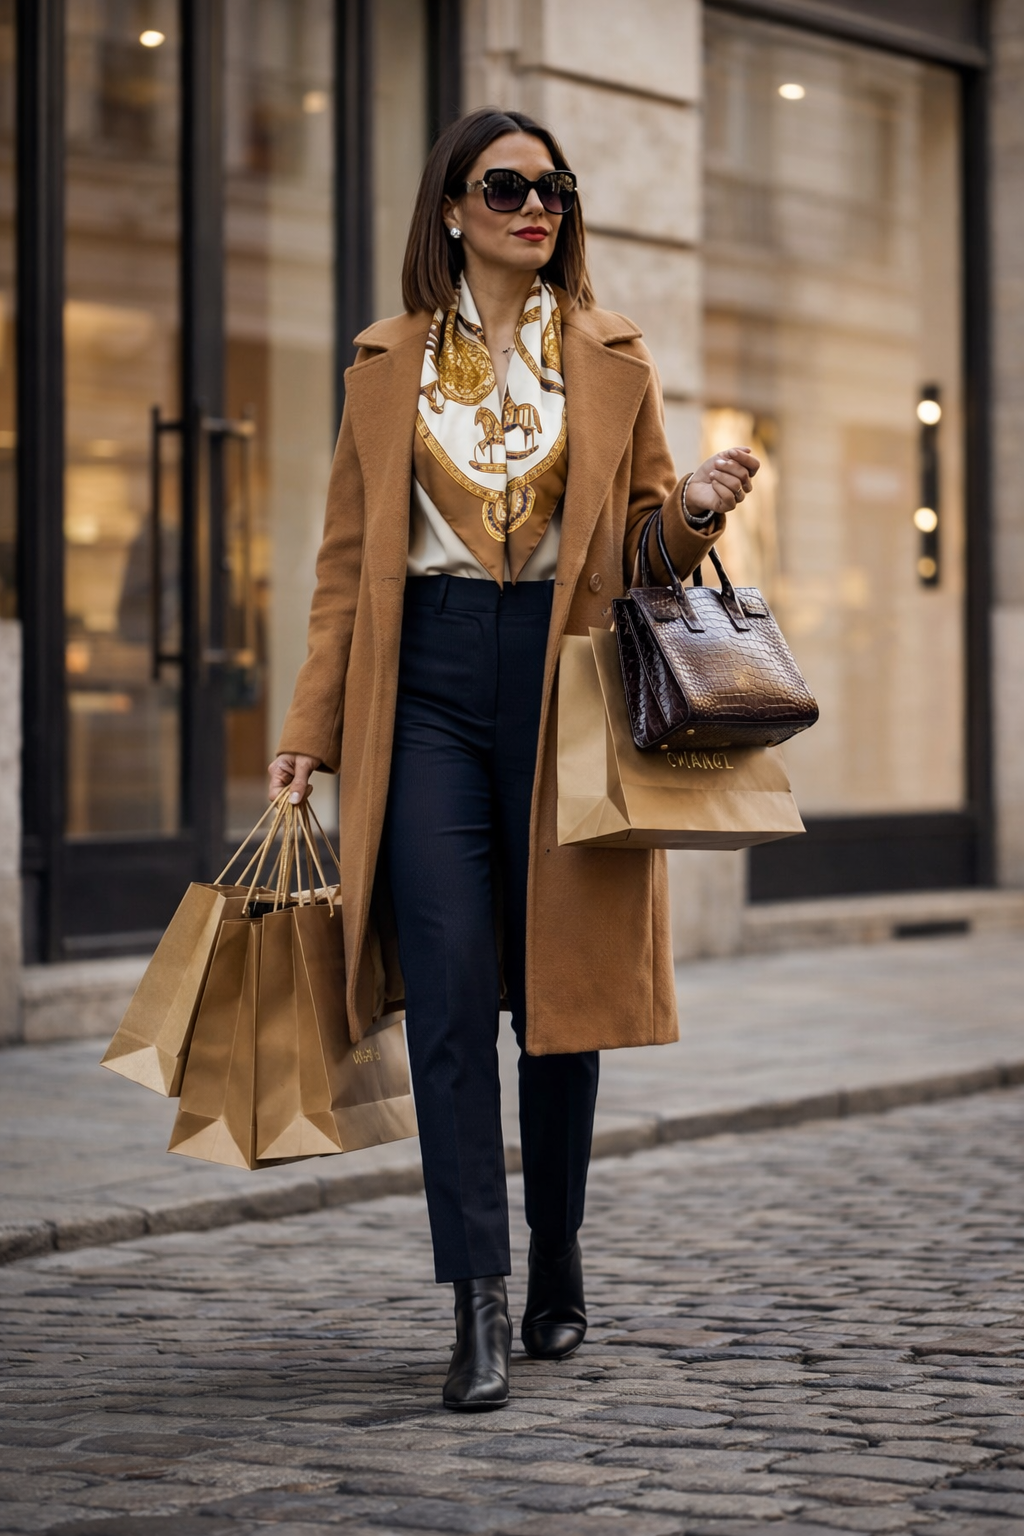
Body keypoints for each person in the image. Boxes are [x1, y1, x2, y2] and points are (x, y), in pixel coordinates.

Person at [268, 107, 758, 1412]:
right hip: (422, 686)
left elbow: (646, 550)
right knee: (446, 990)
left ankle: (557, 1253)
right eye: (506, 186)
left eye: (554, 188)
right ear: (452, 207)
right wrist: (308, 731)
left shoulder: (609, 354)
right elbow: (342, 571)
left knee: (560, 992)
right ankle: (475, 1298)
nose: (536, 206)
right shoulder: (385, 363)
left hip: (566, 682)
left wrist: (690, 513)